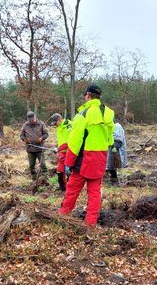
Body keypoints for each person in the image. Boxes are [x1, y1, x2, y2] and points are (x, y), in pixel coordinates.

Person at [59, 84, 115, 227]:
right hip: (100, 160)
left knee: (72, 190)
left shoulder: (82, 115)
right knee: (95, 193)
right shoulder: (108, 114)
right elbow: (110, 140)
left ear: (88, 96)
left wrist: (68, 163)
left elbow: (75, 142)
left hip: (82, 161)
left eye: (85, 96)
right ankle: (90, 224)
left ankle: (62, 217)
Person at [20, 111, 49, 180]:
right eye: (29, 120)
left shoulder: (41, 124)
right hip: (30, 149)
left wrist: (41, 138)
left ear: (35, 117)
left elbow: (46, 134)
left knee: (43, 164)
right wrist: (24, 139)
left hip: (40, 148)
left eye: (32, 119)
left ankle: (45, 179)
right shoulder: (25, 125)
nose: (31, 121)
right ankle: (34, 179)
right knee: (31, 165)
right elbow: (21, 135)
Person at [47, 113, 72, 191]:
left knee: (69, 172)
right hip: (62, 154)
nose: (55, 125)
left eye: (55, 123)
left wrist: (59, 148)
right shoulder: (59, 128)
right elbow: (61, 140)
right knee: (60, 171)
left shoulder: (70, 126)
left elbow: (72, 141)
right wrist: (57, 147)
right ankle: (63, 189)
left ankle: (70, 189)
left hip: (70, 153)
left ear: (60, 120)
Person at [105, 120, 128, 186]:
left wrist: (115, 146)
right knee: (108, 165)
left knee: (111, 166)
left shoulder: (116, 127)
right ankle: (110, 180)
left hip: (113, 151)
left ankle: (114, 180)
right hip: (106, 150)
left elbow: (118, 140)